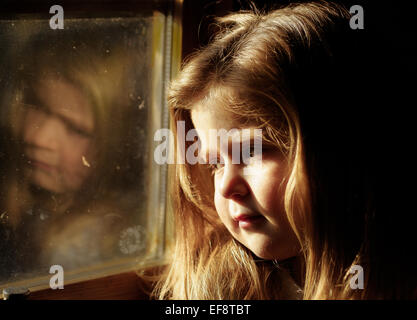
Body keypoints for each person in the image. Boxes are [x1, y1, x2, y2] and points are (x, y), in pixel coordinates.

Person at [150, 1, 417, 299]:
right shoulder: (219, 290)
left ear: (340, 154)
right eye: (215, 164)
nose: (226, 187)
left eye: (252, 151)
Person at [0, 28, 148, 280]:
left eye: (74, 128)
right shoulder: (20, 206)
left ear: (112, 147)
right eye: (36, 105)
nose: (38, 138)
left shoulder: (86, 251)